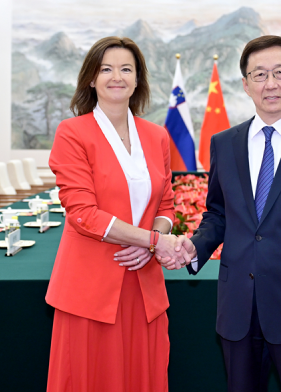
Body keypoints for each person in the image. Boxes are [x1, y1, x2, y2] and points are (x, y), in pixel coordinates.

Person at [161, 35, 281, 392]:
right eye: (260, 74)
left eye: (280, 72)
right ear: (246, 85)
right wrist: (195, 247)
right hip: (238, 310)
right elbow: (219, 214)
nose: (271, 84)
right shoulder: (224, 144)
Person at [46, 36, 181, 392]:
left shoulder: (157, 136)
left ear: (138, 80)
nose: (116, 77)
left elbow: (166, 205)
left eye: (126, 69)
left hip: (142, 286)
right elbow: (83, 213)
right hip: (90, 289)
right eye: (106, 69)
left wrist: (152, 241)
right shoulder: (72, 133)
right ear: (91, 78)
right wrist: (152, 241)